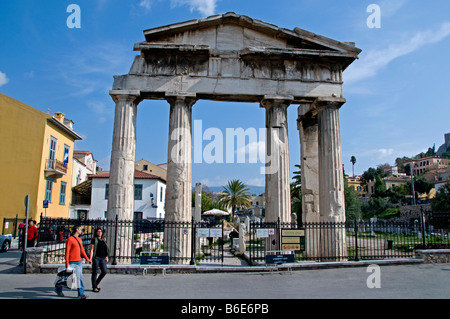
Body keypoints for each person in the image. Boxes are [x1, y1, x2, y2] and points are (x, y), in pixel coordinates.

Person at [55, 225, 91, 299]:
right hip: (72, 261)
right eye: (80, 229)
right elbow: (67, 252)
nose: (81, 231)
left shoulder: (79, 239)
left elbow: (82, 250)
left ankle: (81, 293)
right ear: (77, 230)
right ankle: (58, 289)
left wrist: (87, 259)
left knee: (79, 277)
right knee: (66, 277)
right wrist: (67, 263)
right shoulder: (70, 239)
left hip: (79, 261)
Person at [89, 227, 110, 293]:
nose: (99, 232)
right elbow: (92, 250)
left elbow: (105, 249)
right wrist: (90, 258)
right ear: (96, 232)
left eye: (100, 231)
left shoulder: (103, 239)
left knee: (104, 271)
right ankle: (94, 287)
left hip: (103, 257)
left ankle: (96, 283)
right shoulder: (94, 240)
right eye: (98, 231)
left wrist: (106, 256)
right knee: (94, 272)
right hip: (96, 257)